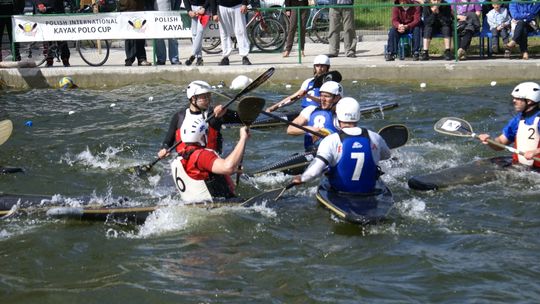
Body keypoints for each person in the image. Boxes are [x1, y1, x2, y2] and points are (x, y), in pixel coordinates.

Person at [291, 97, 391, 194]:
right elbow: (386, 155)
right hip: (369, 191)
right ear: (358, 115)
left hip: (340, 191)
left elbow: (315, 171)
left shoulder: (330, 140)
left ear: (338, 116)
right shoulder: (375, 137)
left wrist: (302, 178)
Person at [158, 80, 240, 159]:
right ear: (193, 98)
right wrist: (164, 149)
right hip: (185, 162)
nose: (208, 100)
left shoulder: (215, 114)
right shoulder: (179, 117)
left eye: (209, 96)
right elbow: (168, 141)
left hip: (212, 163)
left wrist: (225, 111)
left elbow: (241, 118)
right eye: (205, 97)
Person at [172, 117, 250, 200]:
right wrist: (243, 138)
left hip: (194, 206)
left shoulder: (182, 156)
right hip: (218, 206)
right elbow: (228, 167)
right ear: (202, 135)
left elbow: (198, 174)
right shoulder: (202, 155)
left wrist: (234, 169)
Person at [478, 82, 540, 168]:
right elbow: (501, 144)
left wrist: (535, 152)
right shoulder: (518, 120)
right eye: (514, 98)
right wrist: (489, 141)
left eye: (518, 98)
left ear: (529, 101)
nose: (514, 101)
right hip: (521, 168)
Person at [286, 81, 343, 152]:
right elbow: (290, 130)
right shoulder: (310, 110)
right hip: (311, 152)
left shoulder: (341, 115)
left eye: (327, 96)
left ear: (337, 98)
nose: (323, 99)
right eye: (321, 95)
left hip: (332, 154)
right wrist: (308, 129)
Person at [266, 54, 331, 112]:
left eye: (322, 66)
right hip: (305, 112)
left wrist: (308, 96)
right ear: (314, 67)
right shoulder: (308, 82)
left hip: (320, 112)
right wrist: (274, 107)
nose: (319, 68)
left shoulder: (330, 84)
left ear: (327, 67)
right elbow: (292, 98)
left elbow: (327, 102)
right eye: (317, 66)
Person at [31, 0, 71, 67]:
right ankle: (49, 59)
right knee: (46, 39)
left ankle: (65, 59)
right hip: (44, 14)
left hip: (57, 12)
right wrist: (39, 4)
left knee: (61, 37)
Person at [214, 0, 252, 65]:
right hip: (222, 6)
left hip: (238, 5)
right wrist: (214, 13)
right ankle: (225, 57)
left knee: (241, 31)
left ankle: (244, 56)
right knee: (224, 33)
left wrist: (244, 3)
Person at [118, 0, 152, 66]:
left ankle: (141, 59)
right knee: (129, 35)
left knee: (140, 33)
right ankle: (129, 59)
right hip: (126, 7)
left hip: (139, 8)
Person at [184, 0, 214, 66]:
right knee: (194, 34)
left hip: (204, 9)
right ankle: (199, 58)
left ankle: (193, 54)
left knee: (200, 31)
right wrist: (189, 10)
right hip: (193, 8)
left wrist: (204, 7)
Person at [154, 0, 181, 65]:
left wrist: (176, 11)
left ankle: (174, 59)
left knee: (173, 37)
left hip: (171, 14)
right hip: (156, 13)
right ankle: (161, 59)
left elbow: (178, 1)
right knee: (158, 38)